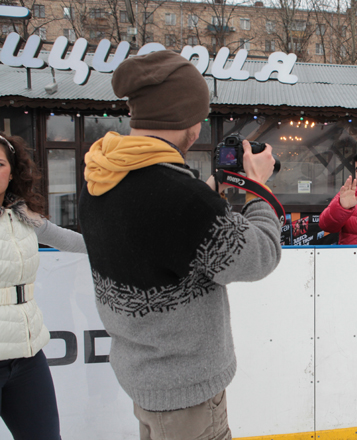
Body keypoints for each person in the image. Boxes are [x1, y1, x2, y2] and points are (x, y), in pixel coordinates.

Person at [77, 50, 282, 440]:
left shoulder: (100, 178)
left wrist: (211, 192)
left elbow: (164, 234)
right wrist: (258, 188)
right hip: (186, 394)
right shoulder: (180, 199)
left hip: (145, 379)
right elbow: (259, 255)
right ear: (187, 119)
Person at [0, 133, 87, 440]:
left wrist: (115, 245)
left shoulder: (22, 216)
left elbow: (69, 240)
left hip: (27, 355)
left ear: (12, 171)